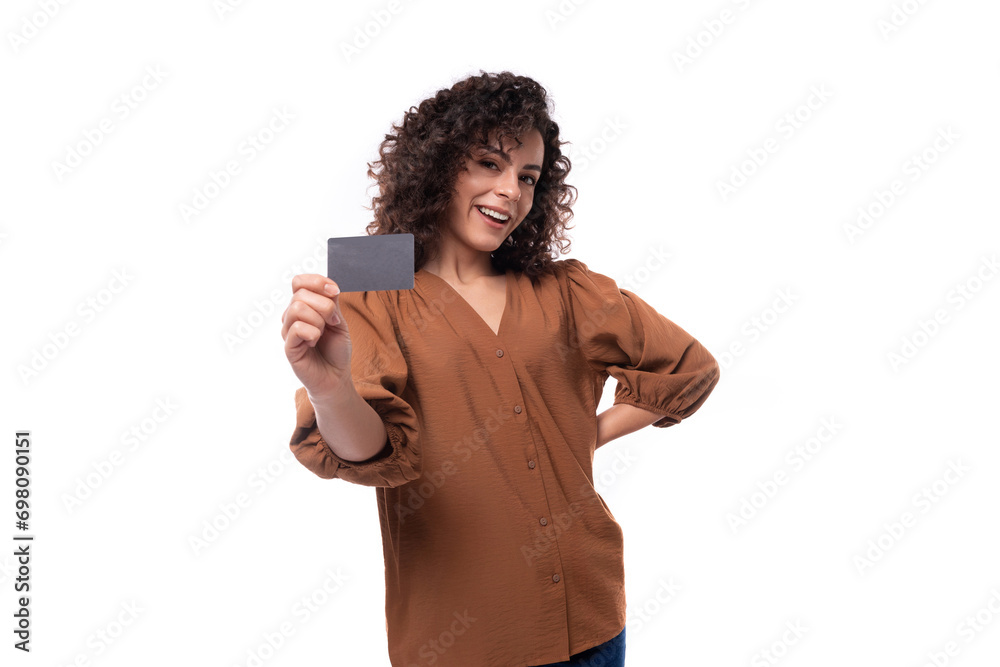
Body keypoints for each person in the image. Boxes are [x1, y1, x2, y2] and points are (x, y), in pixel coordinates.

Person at [280, 71, 720, 667]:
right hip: (465, 640)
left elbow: (689, 366)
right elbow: (367, 451)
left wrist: (588, 433)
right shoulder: (369, 278)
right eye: (489, 163)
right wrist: (329, 390)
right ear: (437, 165)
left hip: (590, 617)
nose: (510, 190)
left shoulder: (563, 287)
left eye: (528, 177)